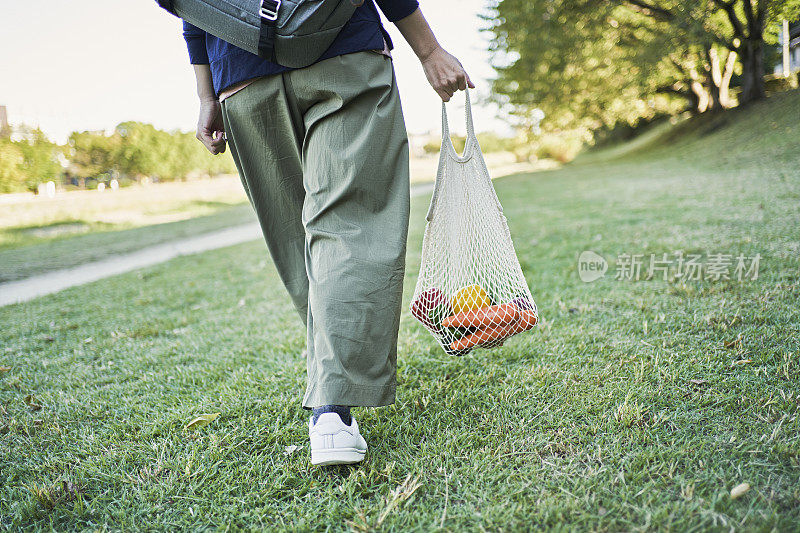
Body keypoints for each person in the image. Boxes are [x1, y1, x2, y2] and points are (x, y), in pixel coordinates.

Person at [183, 0, 472, 466]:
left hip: (240, 75)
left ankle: (330, 402)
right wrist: (429, 50)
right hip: (341, 54)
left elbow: (193, 11)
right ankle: (332, 412)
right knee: (350, 227)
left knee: (295, 236)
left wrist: (206, 96)